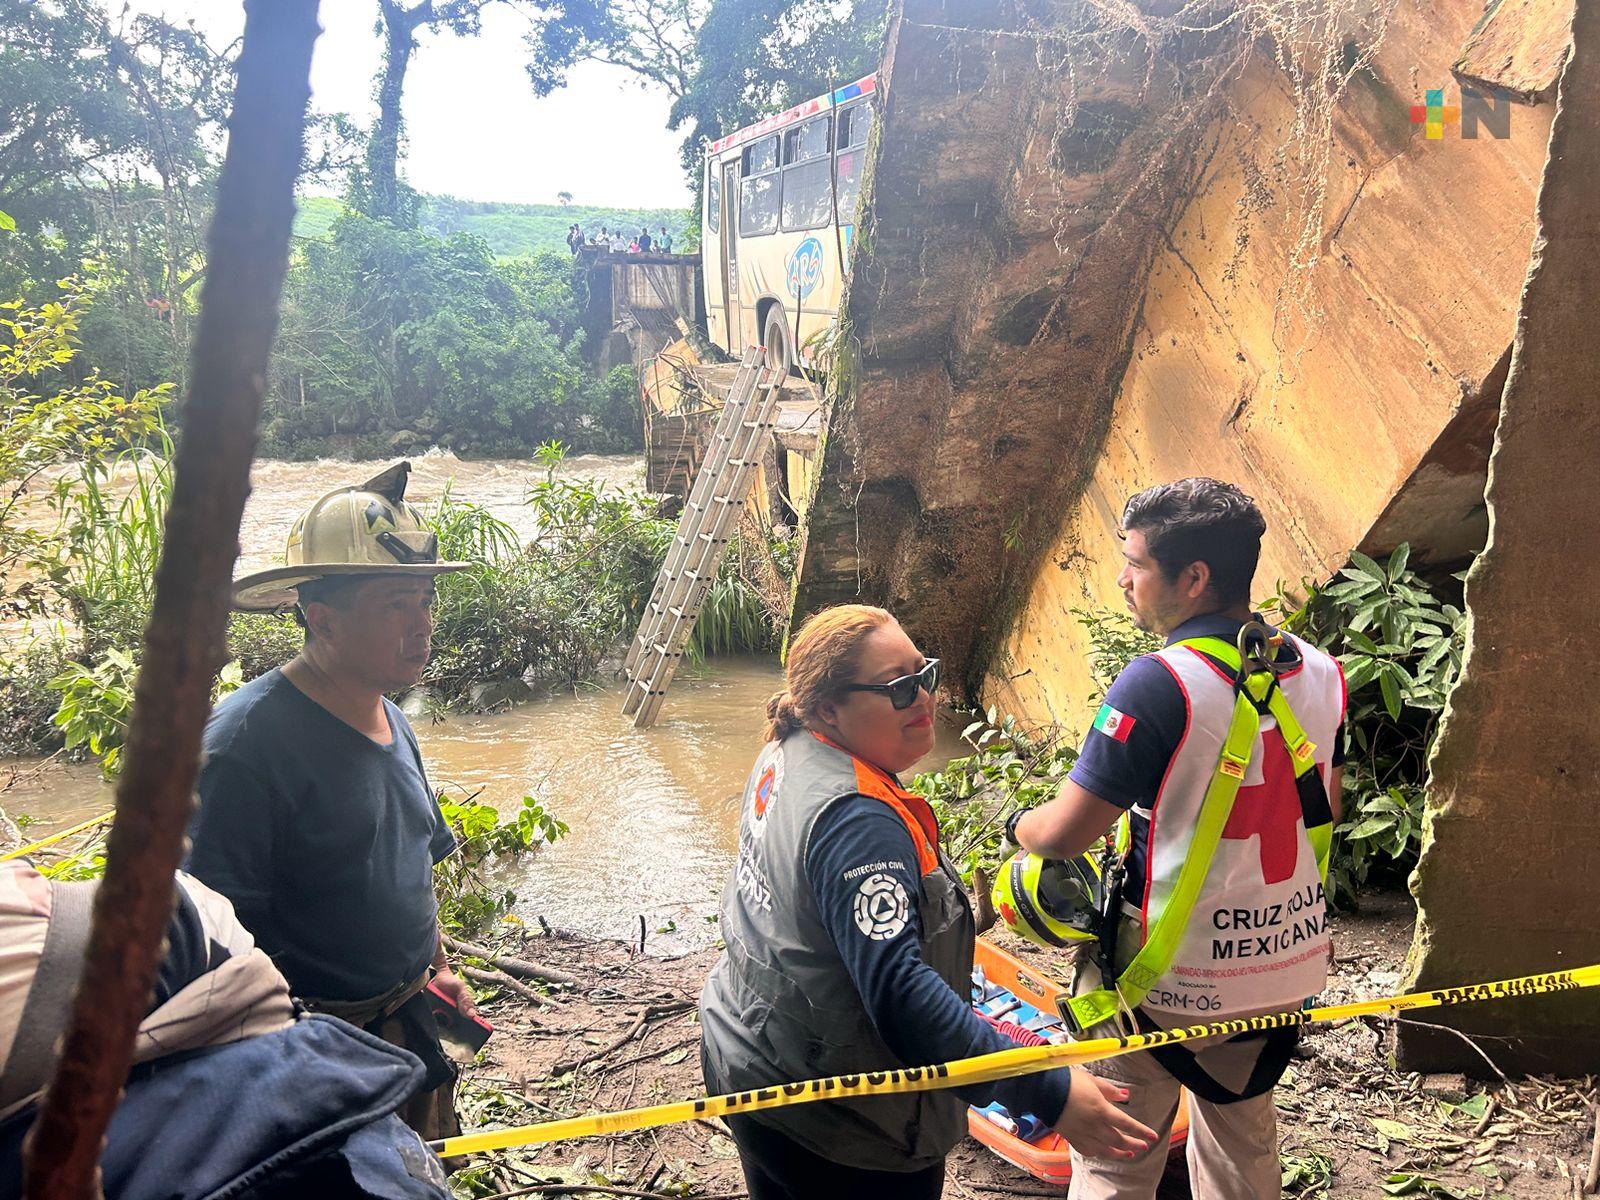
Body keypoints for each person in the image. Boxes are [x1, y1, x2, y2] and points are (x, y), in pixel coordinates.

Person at [699, 604, 1157, 1200]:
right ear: (828, 708)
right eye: (898, 688)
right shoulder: (857, 820)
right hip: (843, 1121)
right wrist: (1048, 1089)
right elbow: (900, 997)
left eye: (926, 674)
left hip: (752, 1057)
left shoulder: (788, 753)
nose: (924, 698)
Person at [1005, 478, 1347, 1200]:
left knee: (1115, 1156)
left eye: (1136, 564)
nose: (1123, 579)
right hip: (1278, 968)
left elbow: (1064, 834)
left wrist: (1018, 826)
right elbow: (1326, 808)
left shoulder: (1158, 682)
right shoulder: (1320, 671)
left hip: (1163, 979)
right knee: (1243, 1142)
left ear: (1194, 579)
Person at [185, 462, 477, 1143]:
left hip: (408, 1028)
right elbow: (209, 941)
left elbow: (411, 864)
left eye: (425, 602)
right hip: (309, 1056)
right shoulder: (242, 749)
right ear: (322, 620)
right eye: (393, 606)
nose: (421, 626)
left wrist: (439, 970)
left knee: (418, 1176)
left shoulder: (389, 714)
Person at [0, 861, 450, 1198]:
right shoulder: (241, 752)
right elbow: (225, 889)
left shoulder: (395, 741)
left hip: (396, 1007)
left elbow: (418, 871)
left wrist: (442, 968)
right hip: (312, 1018)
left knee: (419, 1139)